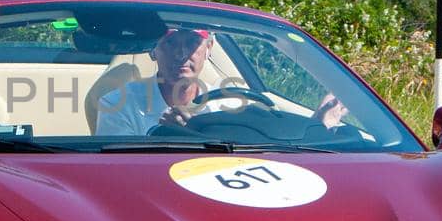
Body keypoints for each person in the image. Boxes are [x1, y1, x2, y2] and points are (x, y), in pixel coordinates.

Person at [92, 25, 353, 135]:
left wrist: (317, 128)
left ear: (209, 46)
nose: (181, 54)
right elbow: (120, 178)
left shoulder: (231, 103)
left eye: (192, 42)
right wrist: (170, 137)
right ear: (153, 49)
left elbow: (262, 158)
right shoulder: (118, 103)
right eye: (170, 42)